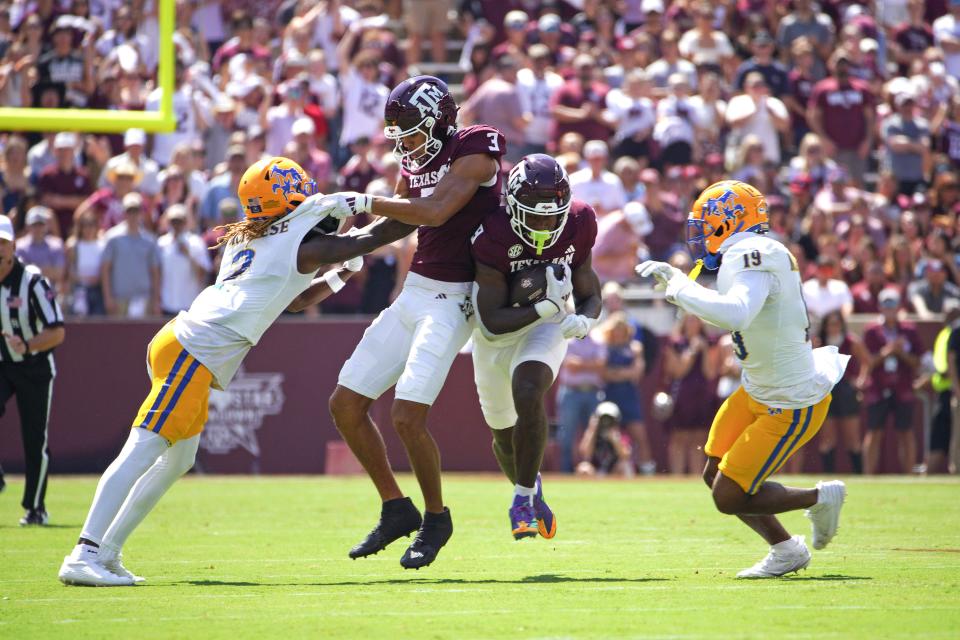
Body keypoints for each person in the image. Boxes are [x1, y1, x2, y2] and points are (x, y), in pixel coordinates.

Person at [58, 156, 414, 587]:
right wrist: (411, 203)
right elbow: (387, 231)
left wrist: (339, 274)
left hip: (183, 342)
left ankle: (109, 552)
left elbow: (295, 299)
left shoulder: (253, 238)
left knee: (178, 459)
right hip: (196, 349)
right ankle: (85, 551)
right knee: (143, 448)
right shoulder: (304, 245)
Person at [327, 76, 505, 570]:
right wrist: (344, 252)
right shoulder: (415, 157)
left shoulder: (473, 149)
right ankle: (395, 507)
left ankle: (436, 517)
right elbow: (401, 219)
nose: (404, 139)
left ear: (440, 117)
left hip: (456, 297)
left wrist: (362, 200)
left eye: (409, 126)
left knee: (407, 416)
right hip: (416, 290)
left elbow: (433, 209)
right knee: (345, 405)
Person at [637, 180, 849, 578]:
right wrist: (685, 288)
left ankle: (819, 498)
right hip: (757, 388)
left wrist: (682, 287)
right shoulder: (751, 252)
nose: (700, 235)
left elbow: (736, 314)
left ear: (728, 219)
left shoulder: (753, 252)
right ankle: (786, 549)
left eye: (705, 223)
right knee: (715, 474)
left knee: (728, 495)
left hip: (788, 400)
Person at [469, 154, 601, 539]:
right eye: (536, 215)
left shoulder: (579, 221)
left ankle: (522, 498)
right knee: (503, 438)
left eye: (551, 215)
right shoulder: (492, 231)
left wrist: (587, 318)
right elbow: (492, 321)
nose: (545, 225)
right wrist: (542, 304)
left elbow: (589, 290)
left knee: (528, 390)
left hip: (547, 326)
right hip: (496, 332)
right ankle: (532, 488)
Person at [0, 215, 65, 525]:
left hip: (35, 367)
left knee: (34, 438)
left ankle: (35, 507)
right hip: (2, 364)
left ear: (13, 245)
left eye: (2, 243)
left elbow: (57, 332)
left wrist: (26, 344)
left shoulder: (33, 282)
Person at [860, 289, 923, 475]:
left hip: (903, 387)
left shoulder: (909, 330)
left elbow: (917, 360)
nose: (889, 310)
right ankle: (868, 474)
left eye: (892, 306)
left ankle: (909, 474)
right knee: (874, 432)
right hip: (878, 388)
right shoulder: (872, 331)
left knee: (905, 432)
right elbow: (868, 361)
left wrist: (900, 352)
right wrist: (888, 351)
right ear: (880, 307)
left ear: (898, 307)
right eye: (886, 306)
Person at [598, 311, 655, 475]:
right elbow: (603, 373)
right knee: (609, 435)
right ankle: (608, 469)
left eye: (621, 329)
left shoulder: (635, 347)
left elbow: (636, 372)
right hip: (610, 395)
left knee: (640, 436)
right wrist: (623, 373)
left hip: (629, 396)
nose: (618, 333)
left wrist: (616, 373)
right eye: (615, 329)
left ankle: (647, 471)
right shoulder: (605, 347)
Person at [663, 313, 718, 476]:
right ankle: (677, 476)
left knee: (698, 438)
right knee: (679, 437)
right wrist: (692, 351)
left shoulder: (709, 343)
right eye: (689, 320)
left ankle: (696, 476)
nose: (693, 323)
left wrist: (705, 351)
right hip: (681, 395)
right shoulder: (675, 343)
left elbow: (710, 373)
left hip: (700, 395)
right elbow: (677, 371)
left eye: (696, 320)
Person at [816, 311, 868, 474]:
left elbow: (866, 361)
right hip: (827, 390)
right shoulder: (819, 342)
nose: (834, 327)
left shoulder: (851, 341)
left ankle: (859, 474)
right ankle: (828, 475)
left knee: (852, 438)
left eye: (837, 323)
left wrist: (860, 381)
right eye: (830, 324)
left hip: (846, 390)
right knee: (827, 438)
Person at [156, 205, 212, 315]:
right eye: (173, 221)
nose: (176, 225)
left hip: (189, 305)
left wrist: (189, 255)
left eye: (179, 221)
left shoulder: (196, 243)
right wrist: (157, 300)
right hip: (167, 304)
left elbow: (203, 274)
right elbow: (157, 274)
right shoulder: (161, 243)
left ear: (185, 222)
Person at [927, 307, 959, 474]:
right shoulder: (949, 333)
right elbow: (943, 366)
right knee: (941, 440)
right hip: (948, 392)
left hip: (951, 391)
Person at [576, 402, 634, 478]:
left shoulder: (621, 434)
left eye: (609, 419)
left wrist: (614, 439)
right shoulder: (591, 434)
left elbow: (626, 456)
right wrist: (592, 431)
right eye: (603, 418)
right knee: (584, 468)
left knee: (624, 466)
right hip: (596, 471)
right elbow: (585, 453)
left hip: (613, 471)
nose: (606, 422)